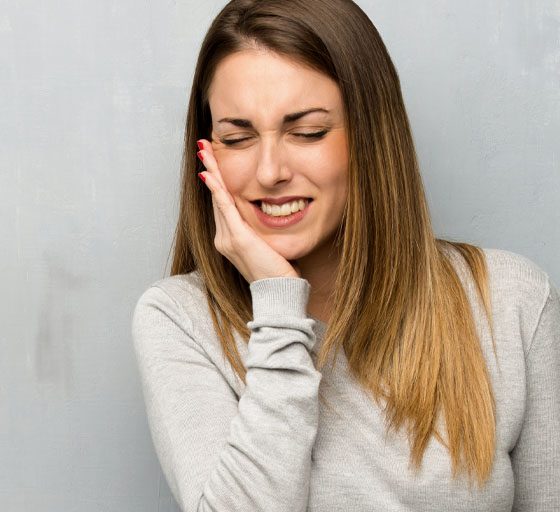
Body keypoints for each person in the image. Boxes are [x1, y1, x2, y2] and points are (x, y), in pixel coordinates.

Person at [131, 1, 560, 510]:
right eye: (237, 137)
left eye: (307, 132)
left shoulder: (511, 302)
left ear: (371, 139)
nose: (270, 172)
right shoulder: (178, 319)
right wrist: (278, 304)